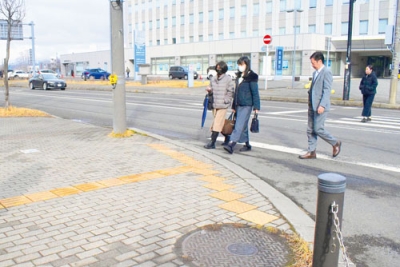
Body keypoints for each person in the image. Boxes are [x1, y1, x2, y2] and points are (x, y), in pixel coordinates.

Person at [299, 51, 342, 159]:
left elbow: (327, 90)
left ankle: (335, 143)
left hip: (320, 106)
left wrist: (322, 105)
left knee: (318, 129)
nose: (312, 65)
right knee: (310, 130)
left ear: (319, 61)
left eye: (313, 63)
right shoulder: (315, 73)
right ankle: (311, 151)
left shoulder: (326, 72)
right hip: (312, 105)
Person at [223, 56, 260, 154]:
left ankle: (231, 144)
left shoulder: (252, 76)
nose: (240, 66)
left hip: (247, 104)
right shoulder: (239, 76)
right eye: (239, 64)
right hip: (238, 104)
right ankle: (247, 144)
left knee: (238, 124)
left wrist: (256, 107)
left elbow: (255, 92)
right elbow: (236, 92)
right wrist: (234, 106)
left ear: (246, 64)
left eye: (242, 64)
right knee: (243, 126)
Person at [204, 61, 234, 149]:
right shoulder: (213, 78)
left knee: (216, 124)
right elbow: (211, 89)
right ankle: (227, 137)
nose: (218, 69)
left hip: (223, 105)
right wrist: (209, 90)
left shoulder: (228, 79)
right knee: (220, 123)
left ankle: (212, 143)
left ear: (224, 69)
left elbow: (230, 91)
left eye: (220, 68)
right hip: (214, 104)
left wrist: (226, 100)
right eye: (217, 67)